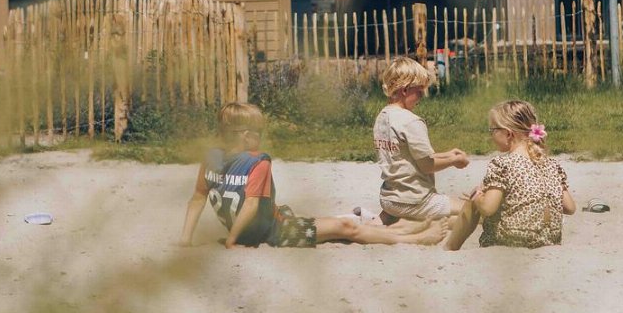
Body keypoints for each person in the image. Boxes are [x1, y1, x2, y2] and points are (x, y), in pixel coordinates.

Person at [179, 102, 446, 248]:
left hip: (258, 228)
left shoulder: (211, 158)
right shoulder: (258, 162)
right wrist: (231, 241)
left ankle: (403, 228)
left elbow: (197, 198)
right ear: (246, 135)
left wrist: (186, 239)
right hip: (273, 232)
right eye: (258, 132)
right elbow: (249, 205)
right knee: (345, 229)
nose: (261, 137)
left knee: (336, 226)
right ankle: (415, 238)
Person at [463, 99, 575, 249]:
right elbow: (570, 208)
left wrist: (477, 196)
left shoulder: (502, 164)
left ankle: (450, 247)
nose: (491, 135)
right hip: (549, 241)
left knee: (476, 201)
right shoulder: (552, 165)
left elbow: (488, 208)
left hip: (510, 242)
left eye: (493, 130)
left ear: (508, 134)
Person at [373, 57, 472, 223]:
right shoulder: (411, 121)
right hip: (416, 201)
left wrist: (447, 154)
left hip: (389, 199)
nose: (422, 95)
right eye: (419, 90)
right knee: (471, 210)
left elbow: (408, 156)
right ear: (405, 90)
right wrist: (454, 161)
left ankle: (381, 221)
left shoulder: (382, 117)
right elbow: (427, 166)